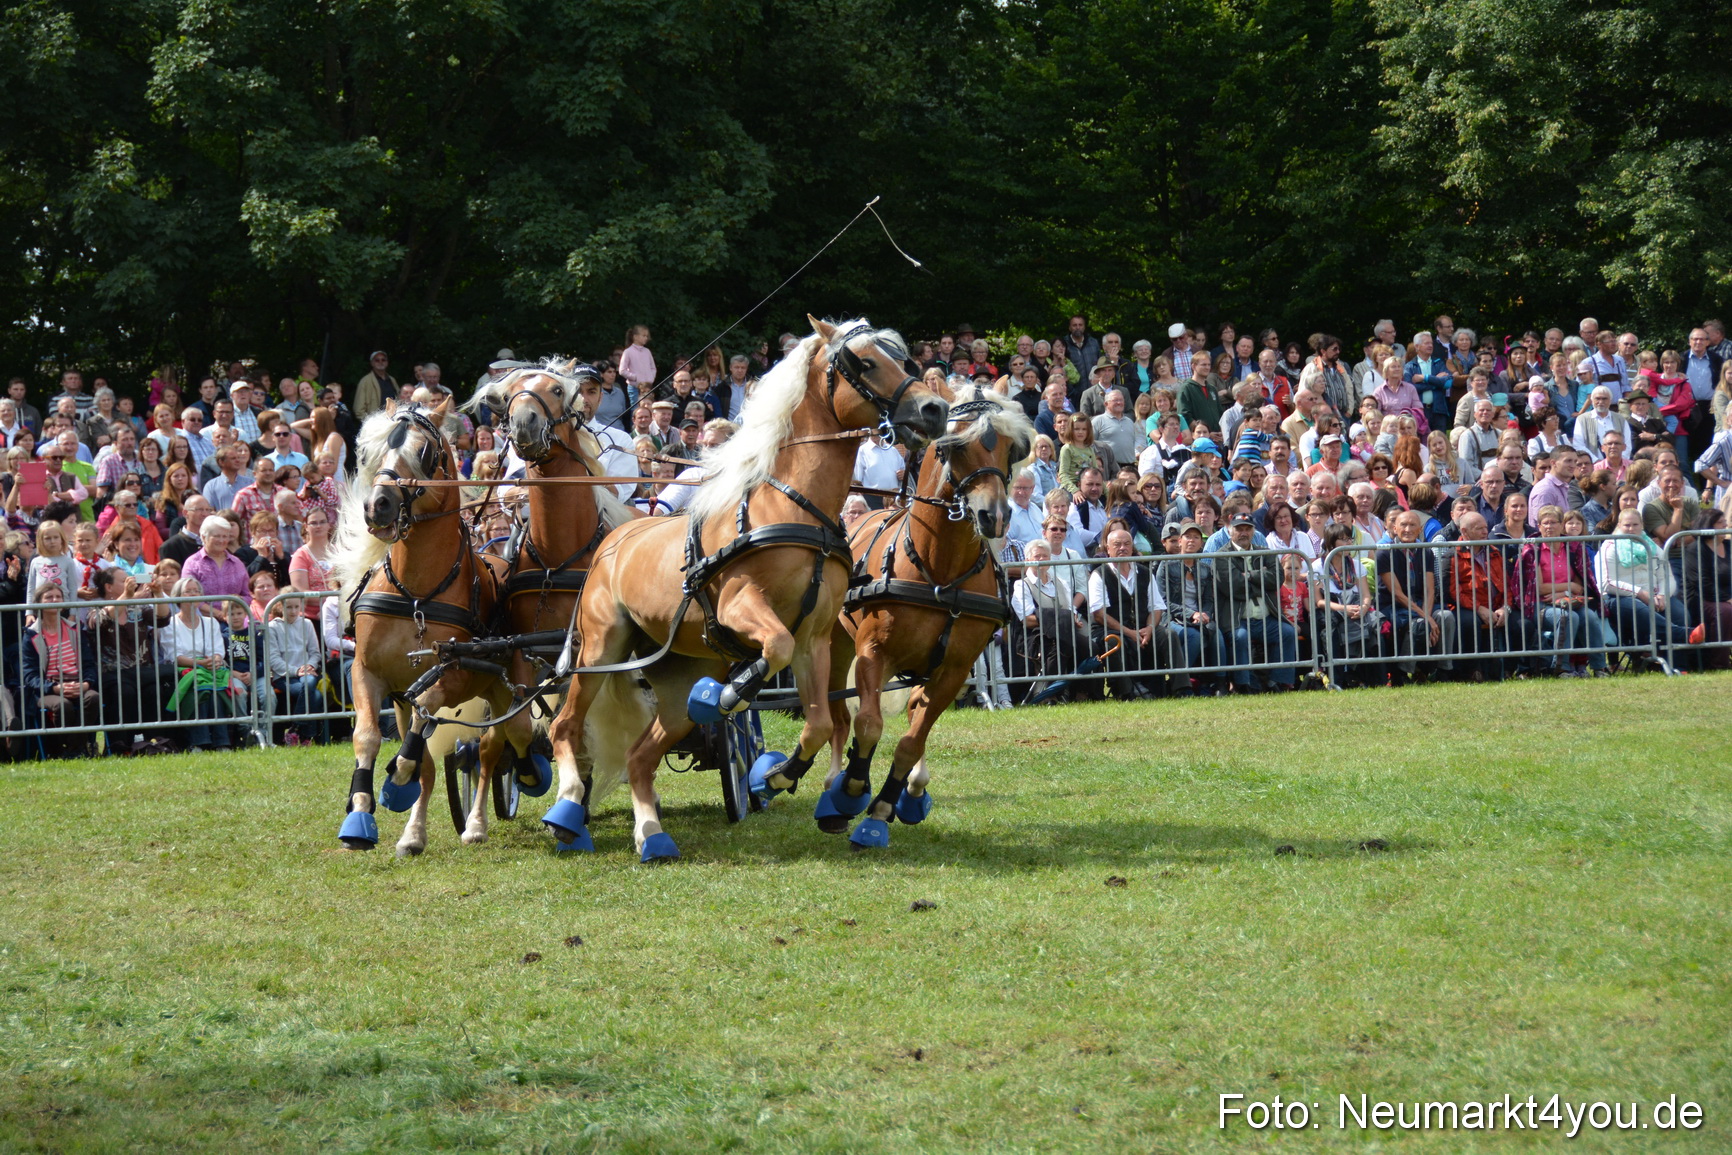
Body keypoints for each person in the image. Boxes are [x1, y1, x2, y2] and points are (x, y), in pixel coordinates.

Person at [1597, 508, 1688, 660]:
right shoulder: (1609, 546)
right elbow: (1606, 583)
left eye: (1635, 524)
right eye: (1627, 525)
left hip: (1654, 595)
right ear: (1619, 525)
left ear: (1642, 525)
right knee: (1642, 610)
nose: (1631, 529)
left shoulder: (1652, 547)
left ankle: (1678, 665)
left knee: (1680, 613)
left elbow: (1667, 577)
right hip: (1620, 598)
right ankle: (1687, 634)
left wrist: (1663, 595)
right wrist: (1640, 593)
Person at [1087, 529, 1164, 700]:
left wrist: (1150, 628)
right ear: (1108, 548)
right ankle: (1126, 691)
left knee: (1167, 635)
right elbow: (1099, 614)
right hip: (1107, 629)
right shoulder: (1098, 575)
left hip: (1142, 628)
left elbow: (1157, 607)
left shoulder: (1144, 572)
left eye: (1127, 544)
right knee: (1114, 641)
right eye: (1117, 544)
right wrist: (1130, 633)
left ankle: (1179, 687)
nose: (1122, 548)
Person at [161, 576, 237, 750]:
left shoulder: (210, 622)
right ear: (177, 596)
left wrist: (214, 660)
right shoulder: (170, 623)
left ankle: (221, 741)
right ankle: (200, 741)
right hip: (183, 669)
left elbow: (218, 651)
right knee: (202, 688)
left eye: (196, 591)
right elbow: (175, 656)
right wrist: (202, 664)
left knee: (214, 689)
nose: (193, 594)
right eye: (188, 591)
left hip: (209, 668)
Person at [22, 583, 100, 753]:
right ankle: (74, 749)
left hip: (77, 683)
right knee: (62, 705)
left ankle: (74, 749)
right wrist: (55, 688)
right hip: (49, 689)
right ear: (38, 603)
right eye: (49, 597)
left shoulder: (75, 629)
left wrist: (86, 684)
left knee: (93, 698)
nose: (54, 600)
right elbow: (30, 675)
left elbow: (88, 664)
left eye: (58, 596)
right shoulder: (31, 635)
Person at [268, 594, 329, 744]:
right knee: (315, 696)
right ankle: (306, 735)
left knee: (309, 683)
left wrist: (310, 666)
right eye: (289, 607)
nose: (293, 611)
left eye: (296, 607)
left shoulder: (307, 623)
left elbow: (315, 652)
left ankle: (297, 729)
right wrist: (296, 670)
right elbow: (274, 659)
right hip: (284, 676)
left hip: (306, 672)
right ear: (280, 606)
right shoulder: (272, 627)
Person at [1679, 508, 1732, 670]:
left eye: (1725, 522)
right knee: (1725, 611)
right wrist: (1728, 599)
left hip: (1727, 597)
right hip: (1702, 598)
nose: (1725, 525)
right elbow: (1702, 583)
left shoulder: (1729, 546)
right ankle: (1719, 663)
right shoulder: (1695, 550)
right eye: (1720, 523)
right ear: (1708, 526)